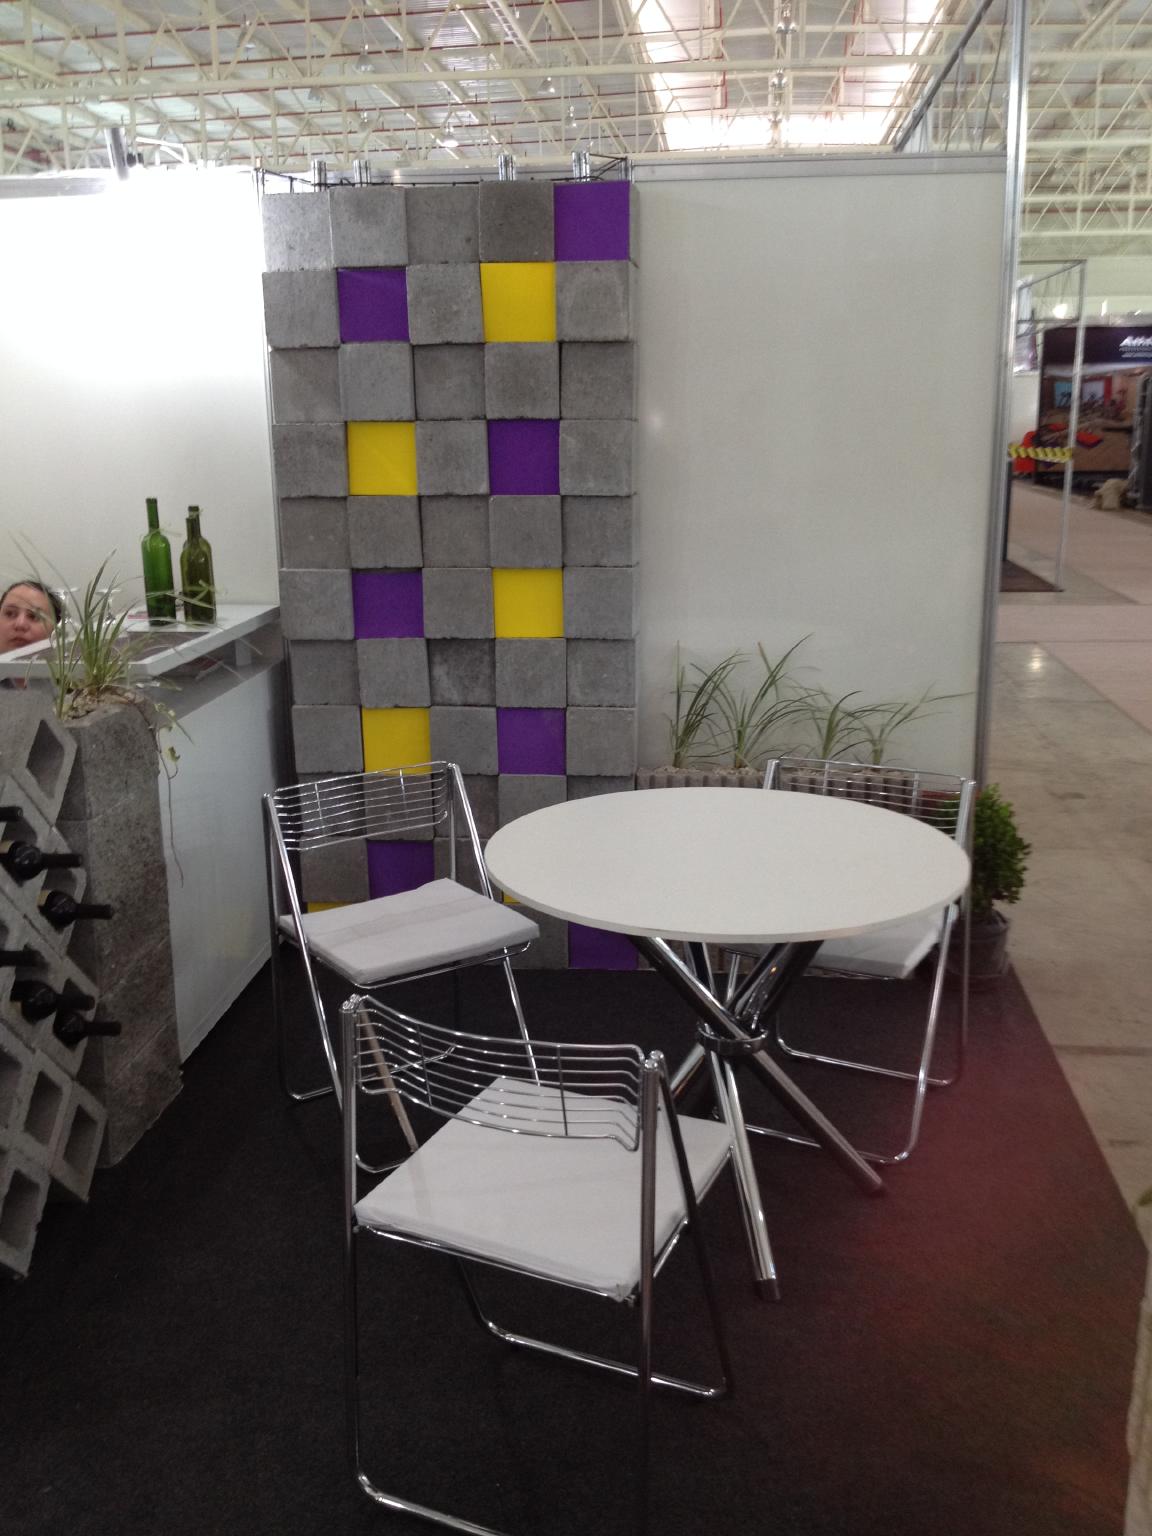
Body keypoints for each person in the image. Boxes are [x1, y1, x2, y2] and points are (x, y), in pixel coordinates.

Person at [0, 579, 62, 688]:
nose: (20, 624)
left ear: (56, 630)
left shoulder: (77, 685)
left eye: (34, 616)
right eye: (10, 613)